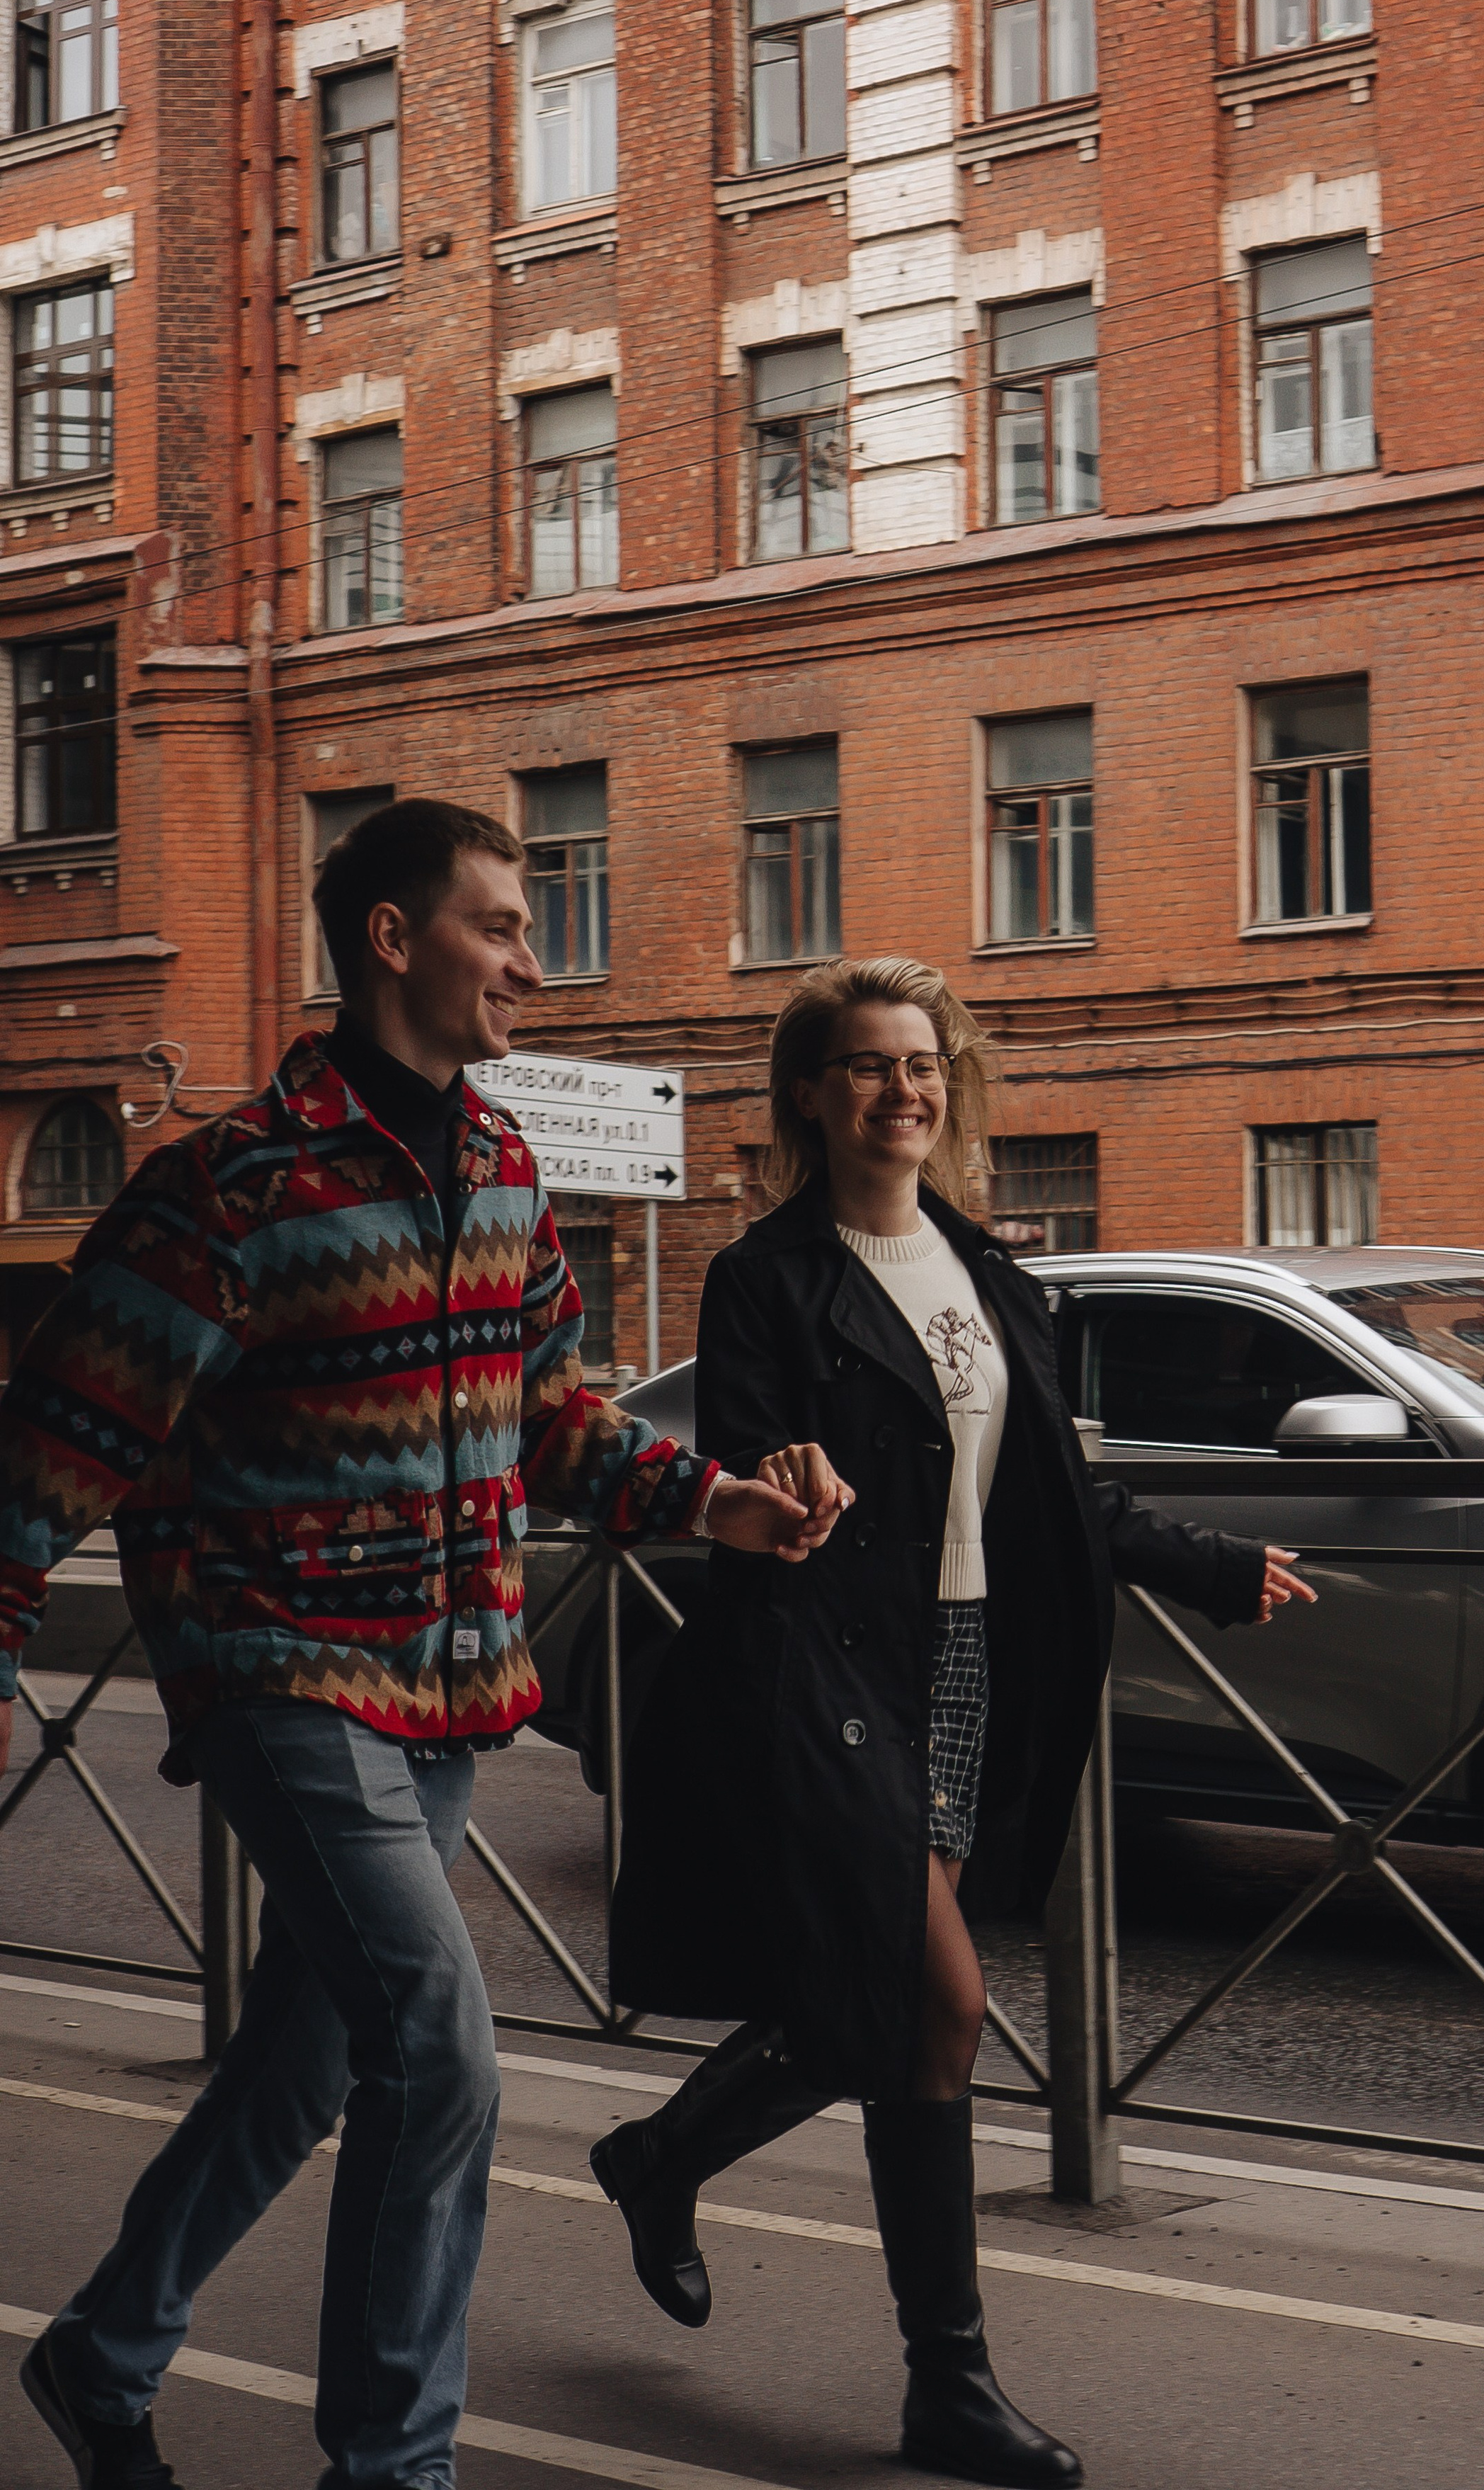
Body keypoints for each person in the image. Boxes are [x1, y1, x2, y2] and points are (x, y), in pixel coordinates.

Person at [0, 797, 840, 2490]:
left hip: (449, 1689)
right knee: (440, 2057)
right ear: (394, 939)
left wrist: (714, 1500)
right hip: (282, 1669)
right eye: (501, 927)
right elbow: (58, 1440)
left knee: (304, 2062)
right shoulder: (229, 1188)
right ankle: (393, 2469)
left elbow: (551, 1415)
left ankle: (101, 2355)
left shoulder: (501, 1170)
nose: (533, 964)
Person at [601, 955, 1313, 2489]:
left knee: (879, 1998)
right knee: (942, 2001)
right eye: (868, 1064)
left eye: (921, 1063)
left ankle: (661, 2157)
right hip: (826, 1666)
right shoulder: (765, 1277)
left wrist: (1203, 1566)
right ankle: (948, 2384)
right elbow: (747, 1465)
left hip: (970, 1660)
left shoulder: (991, 1275)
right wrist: (782, 1478)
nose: (901, 1088)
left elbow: (1053, 1490)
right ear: (812, 1094)